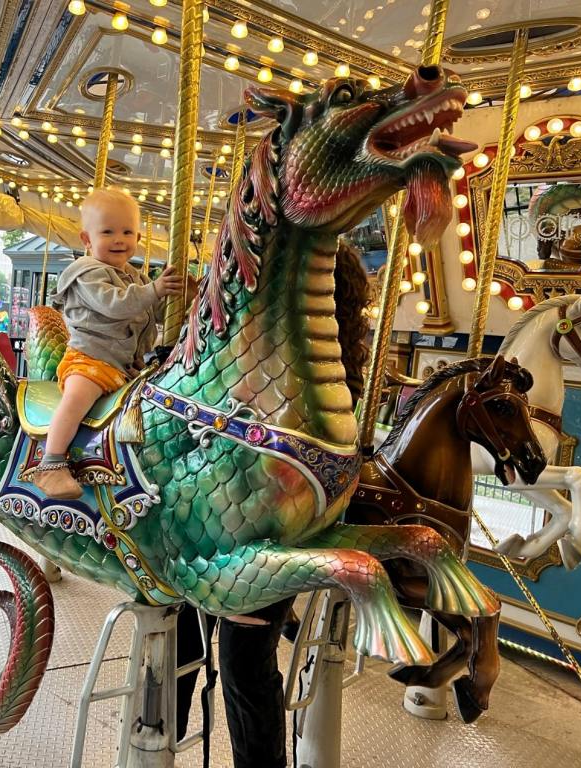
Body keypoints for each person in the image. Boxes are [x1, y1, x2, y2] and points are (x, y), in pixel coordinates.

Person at [174, 241, 373, 768]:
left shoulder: (319, 378)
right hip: (223, 520)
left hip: (266, 533)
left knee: (241, 662)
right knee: (187, 638)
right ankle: (163, 738)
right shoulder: (274, 354)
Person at [32, 188, 181, 499]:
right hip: (88, 361)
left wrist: (182, 299)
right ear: (87, 239)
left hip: (124, 366)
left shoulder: (135, 279)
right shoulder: (87, 274)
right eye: (108, 231)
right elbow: (115, 305)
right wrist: (154, 290)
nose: (119, 239)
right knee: (77, 399)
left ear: (138, 238)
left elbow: (153, 314)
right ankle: (51, 463)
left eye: (127, 232)